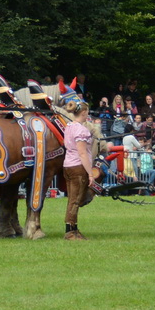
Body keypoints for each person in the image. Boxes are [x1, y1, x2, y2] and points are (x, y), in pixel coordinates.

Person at [60, 98, 98, 239]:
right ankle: (70, 231)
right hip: (78, 166)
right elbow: (82, 153)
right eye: (87, 112)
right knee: (75, 200)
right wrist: (90, 173)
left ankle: (74, 228)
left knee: (72, 198)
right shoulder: (81, 130)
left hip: (68, 165)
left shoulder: (69, 127)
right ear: (83, 112)